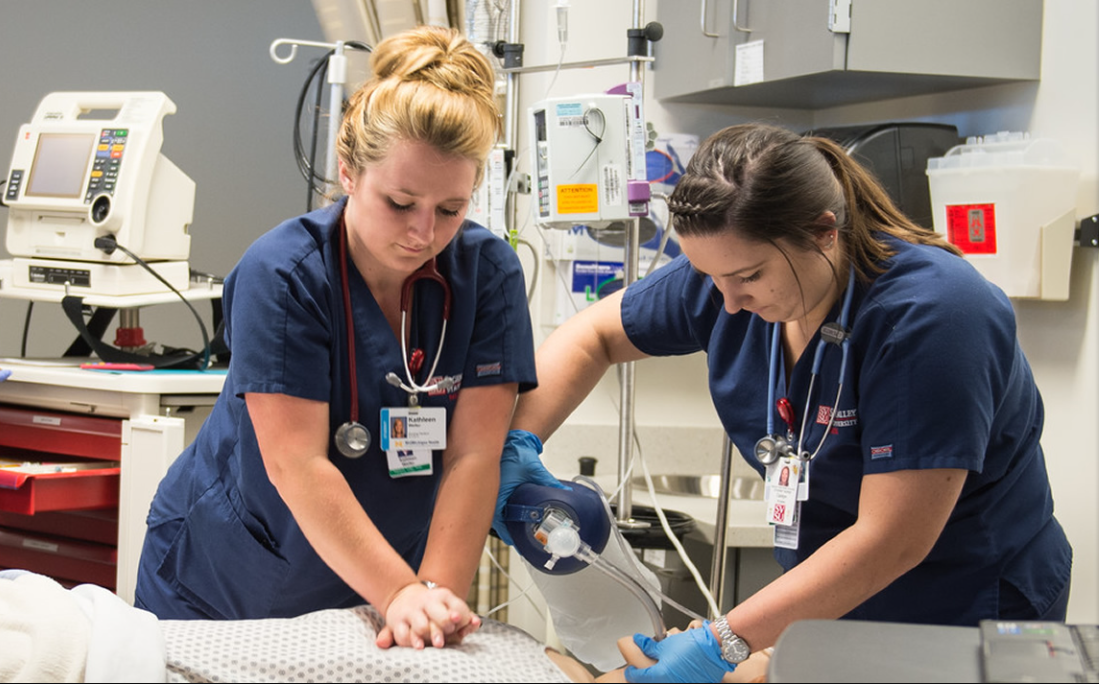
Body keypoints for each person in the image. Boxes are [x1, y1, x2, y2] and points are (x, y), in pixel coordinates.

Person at [493, 122, 1072, 682]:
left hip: (958, 604)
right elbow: (589, 336)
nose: (729, 303)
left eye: (748, 276)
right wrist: (517, 446)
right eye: (708, 276)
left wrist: (721, 642)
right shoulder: (726, 276)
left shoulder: (936, 317)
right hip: (832, 598)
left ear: (824, 231)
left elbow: (891, 541)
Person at [136, 25, 537, 652]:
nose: (423, 232)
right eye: (401, 202)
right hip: (229, 575)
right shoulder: (285, 274)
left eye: (451, 209)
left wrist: (433, 603)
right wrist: (401, 595)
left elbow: (472, 456)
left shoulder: (487, 273)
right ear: (348, 172)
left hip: (388, 578)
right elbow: (296, 463)